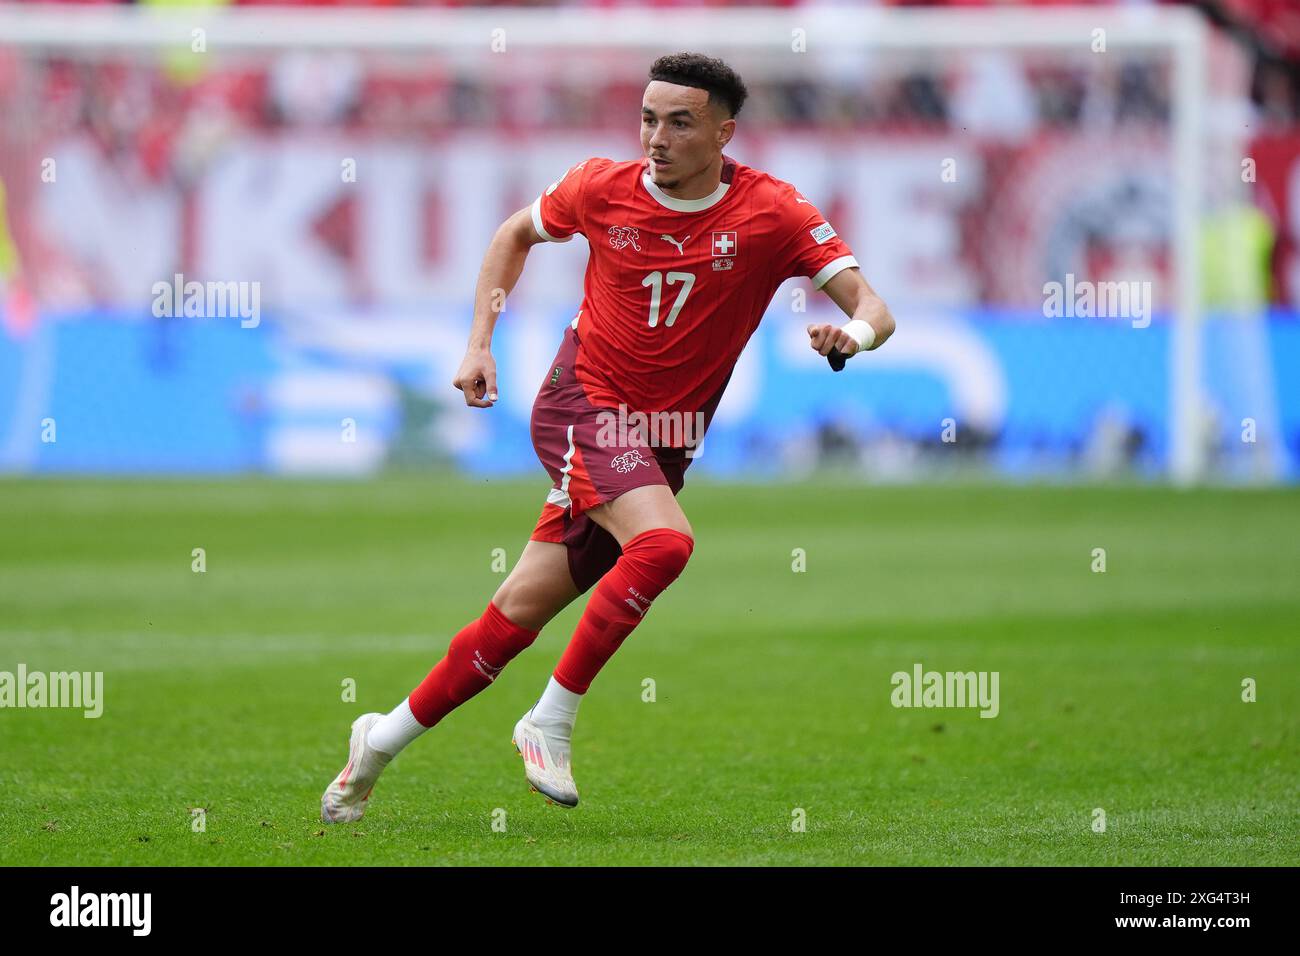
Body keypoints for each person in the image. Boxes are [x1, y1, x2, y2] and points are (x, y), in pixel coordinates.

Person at [322, 51, 895, 821]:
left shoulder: (774, 213)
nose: (656, 137)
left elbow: (875, 309)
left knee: (513, 618)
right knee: (665, 546)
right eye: (649, 118)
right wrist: (479, 343)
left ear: (724, 132)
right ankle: (549, 720)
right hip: (579, 404)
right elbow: (511, 236)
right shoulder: (599, 186)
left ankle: (378, 742)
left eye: (680, 122)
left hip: (661, 442)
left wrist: (850, 339)